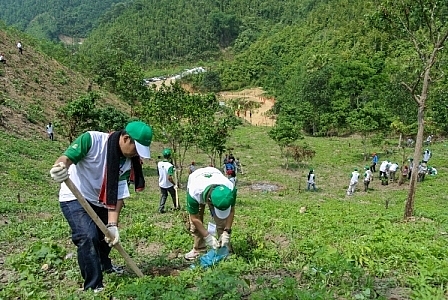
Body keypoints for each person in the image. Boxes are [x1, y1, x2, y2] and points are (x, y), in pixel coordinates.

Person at [49, 121, 152, 292]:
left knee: (107, 238)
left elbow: (118, 193)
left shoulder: (126, 162)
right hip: (75, 196)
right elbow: (66, 158)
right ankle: (94, 285)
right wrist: (60, 167)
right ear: (126, 138)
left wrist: (113, 225)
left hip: (102, 200)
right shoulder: (92, 140)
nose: (136, 155)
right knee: (88, 237)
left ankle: (106, 265)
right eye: (136, 149)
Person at [184, 166, 237, 260]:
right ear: (210, 201)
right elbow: (194, 218)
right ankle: (198, 249)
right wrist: (207, 236)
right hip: (198, 181)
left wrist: (227, 231)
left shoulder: (229, 189)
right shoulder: (194, 192)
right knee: (196, 225)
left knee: (222, 222)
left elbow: (231, 210)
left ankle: (225, 250)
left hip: (215, 177)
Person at [157, 148, 179, 213]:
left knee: (164, 195)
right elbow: (169, 178)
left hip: (161, 183)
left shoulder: (159, 163)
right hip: (168, 184)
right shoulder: (170, 166)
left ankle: (160, 208)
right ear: (170, 156)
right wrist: (174, 184)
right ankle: (176, 207)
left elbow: (158, 173)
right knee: (174, 195)